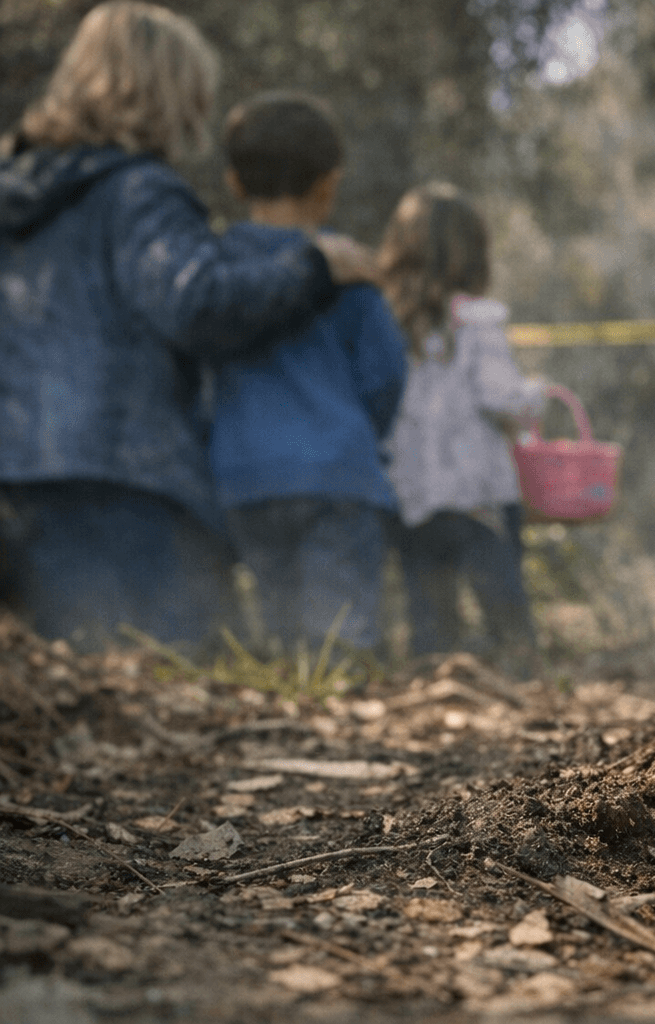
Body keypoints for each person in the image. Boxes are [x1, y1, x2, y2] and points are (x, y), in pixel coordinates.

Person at [0, 1, 375, 652]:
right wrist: (316, 267)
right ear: (168, 92)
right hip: (127, 485)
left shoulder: (18, 194)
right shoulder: (138, 190)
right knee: (175, 681)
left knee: (71, 685)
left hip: (20, 475)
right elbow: (197, 305)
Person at [206, 92, 408, 656]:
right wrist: (360, 434)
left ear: (234, 182)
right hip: (338, 476)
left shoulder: (218, 271)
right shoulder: (348, 269)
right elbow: (386, 377)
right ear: (328, 184)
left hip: (245, 477)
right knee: (338, 641)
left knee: (282, 637)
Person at [380, 182, 548, 668]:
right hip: (479, 497)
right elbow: (501, 397)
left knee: (430, 615)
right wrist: (535, 394)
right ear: (473, 251)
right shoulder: (477, 320)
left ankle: (436, 684)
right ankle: (523, 681)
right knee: (505, 610)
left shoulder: (388, 321)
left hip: (413, 496)